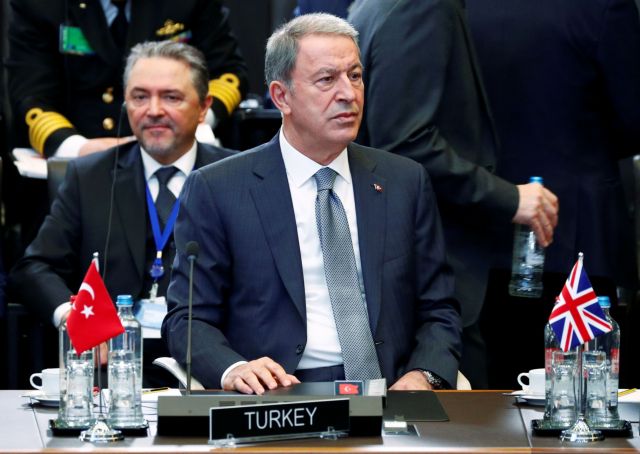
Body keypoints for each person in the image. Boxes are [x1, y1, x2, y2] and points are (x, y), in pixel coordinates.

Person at [162, 13, 462, 394]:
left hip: (390, 388)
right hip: (278, 394)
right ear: (281, 96)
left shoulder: (404, 181)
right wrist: (234, 369)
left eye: (355, 75)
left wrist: (424, 374)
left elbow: (440, 309)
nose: (349, 93)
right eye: (327, 79)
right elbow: (187, 319)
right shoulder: (219, 189)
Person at [348, 0, 559, 388]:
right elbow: (406, 142)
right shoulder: (423, 6)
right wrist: (509, 198)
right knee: (458, 420)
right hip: (433, 266)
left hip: (408, 261)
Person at [9, 40, 235, 386]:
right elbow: (34, 268)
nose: (153, 110)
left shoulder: (237, 177)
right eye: (140, 97)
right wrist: (73, 316)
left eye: (171, 97)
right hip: (111, 366)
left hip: (213, 366)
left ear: (204, 107)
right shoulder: (89, 176)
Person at [466, 0, 640, 387]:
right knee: (583, 398)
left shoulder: (459, 8)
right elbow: (633, 118)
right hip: (577, 234)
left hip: (482, 229)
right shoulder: (604, 7)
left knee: (490, 398)